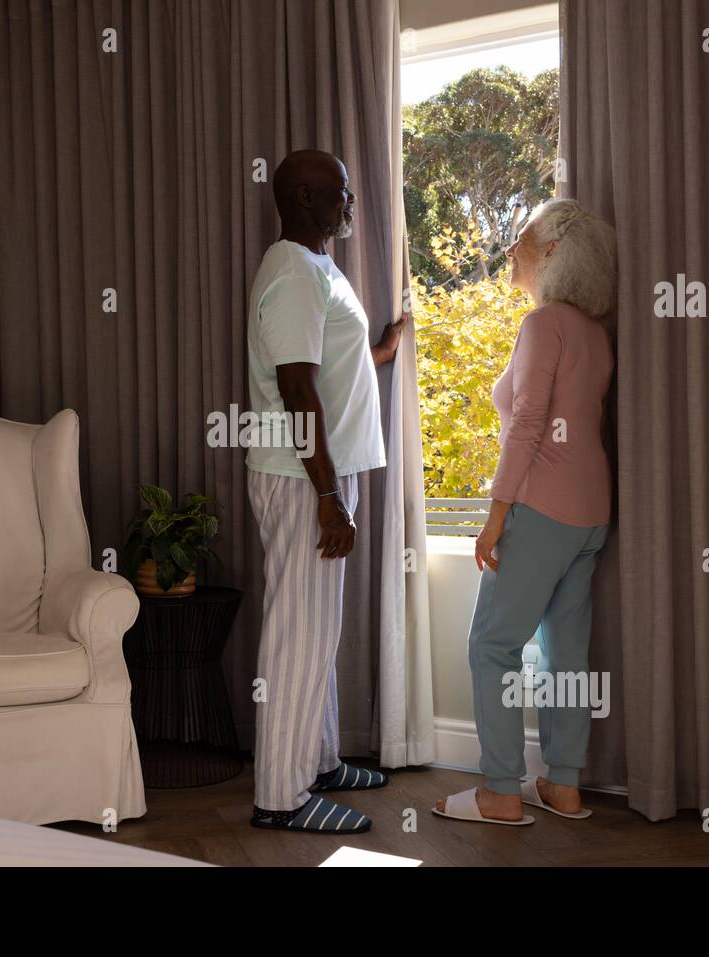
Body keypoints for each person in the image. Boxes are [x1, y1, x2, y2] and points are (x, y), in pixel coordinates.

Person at [433, 199, 617, 827]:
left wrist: (494, 516)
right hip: (592, 513)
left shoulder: (544, 326)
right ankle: (563, 784)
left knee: (492, 644)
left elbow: (530, 427)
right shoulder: (595, 331)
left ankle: (500, 791)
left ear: (556, 253)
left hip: (540, 509)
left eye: (523, 239)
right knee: (566, 649)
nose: (511, 250)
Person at [244, 149, 406, 833]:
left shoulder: (315, 266)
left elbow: (324, 367)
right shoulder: (291, 272)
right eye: (342, 191)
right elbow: (294, 386)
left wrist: (375, 356)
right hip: (302, 478)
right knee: (296, 635)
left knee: (319, 631)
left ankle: (318, 760)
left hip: (322, 475)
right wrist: (327, 495)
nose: (350, 202)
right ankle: (280, 796)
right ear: (308, 199)